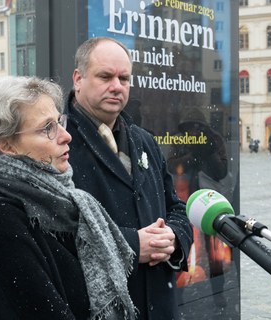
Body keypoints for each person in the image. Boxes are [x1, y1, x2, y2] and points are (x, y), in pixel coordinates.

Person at [0, 76, 137, 320]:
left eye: (60, 122)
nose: (65, 136)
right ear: (7, 145)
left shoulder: (62, 203)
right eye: (47, 128)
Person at [65, 37, 193, 319]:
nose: (116, 86)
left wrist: (172, 238)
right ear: (78, 78)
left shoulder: (143, 139)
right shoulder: (59, 144)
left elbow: (176, 208)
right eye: (105, 76)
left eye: (124, 78)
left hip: (159, 305)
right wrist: (132, 245)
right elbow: (59, 232)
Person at [166, 106, 230, 306]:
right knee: (184, 244)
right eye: (190, 128)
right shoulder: (180, 140)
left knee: (214, 249)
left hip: (209, 201)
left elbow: (221, 171)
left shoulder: (214, 140)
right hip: (184, 197)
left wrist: (207, 151)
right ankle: (180, 292)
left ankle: (217, 292)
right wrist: (189, 157)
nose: (194, 131)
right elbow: (169, 166)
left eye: (198, 128)